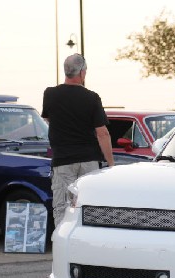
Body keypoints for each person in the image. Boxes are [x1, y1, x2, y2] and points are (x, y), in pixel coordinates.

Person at [41, 53, 115, 226]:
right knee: (89, 206)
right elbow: (102, 133)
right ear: (82, 72)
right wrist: (110, 163)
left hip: (63, 161)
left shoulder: (50, 94)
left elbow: (49, 118)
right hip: (89, 160)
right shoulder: (92, 97)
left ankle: (62, 246)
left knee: (62, 207)